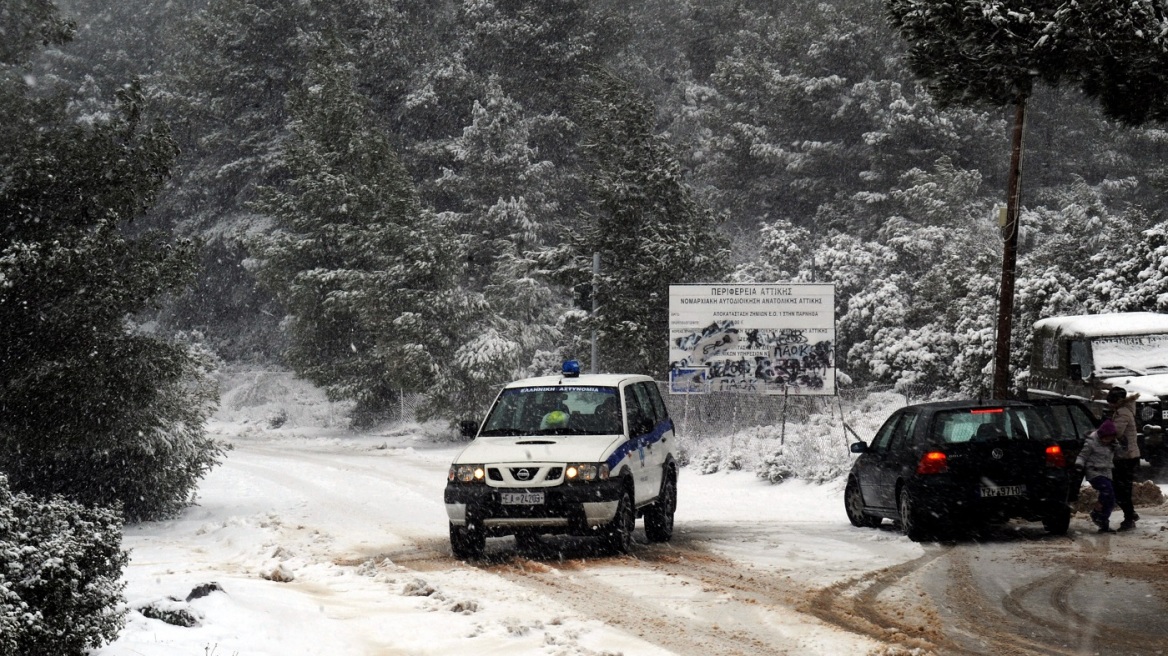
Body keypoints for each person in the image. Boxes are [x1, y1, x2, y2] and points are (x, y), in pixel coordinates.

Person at [1076, 418, 1120, 533]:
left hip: (1107, 471)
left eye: (1110, 439)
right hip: (1094, 472)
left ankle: (1103, 521)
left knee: (1111, 499)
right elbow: (1082, 456)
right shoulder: (1091, 442)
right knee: (1107, 490)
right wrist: (1079, 465)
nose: (1107, 441)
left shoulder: (1112, 444)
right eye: (1106, 438)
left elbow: (1119, 452)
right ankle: (1097, 511)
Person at [1106, 386, 1142, 530]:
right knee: (1122, 489)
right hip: (1126, 456)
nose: (1109, 404)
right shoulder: (1123, 410)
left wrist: (1101, 431)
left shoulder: (1122, 413)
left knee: (1121, 490)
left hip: (1125, 457)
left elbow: (1116, 432)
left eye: (1111, 401)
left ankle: (1129, 517)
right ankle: (1130, 514)